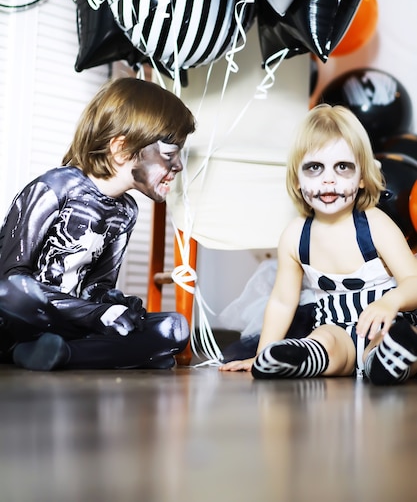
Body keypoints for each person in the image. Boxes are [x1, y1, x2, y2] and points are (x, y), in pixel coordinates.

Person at [0, 77, 196, 371]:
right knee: (18, 296)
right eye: (169, 154)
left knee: (175, 328)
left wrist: (115, 304)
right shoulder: (53, 189)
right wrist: (96, 314)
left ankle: (60, 354)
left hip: (74, 322)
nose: (178, 165)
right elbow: (9, 280)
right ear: (122, 149)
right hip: (25, 317)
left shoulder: (126, 211)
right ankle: (39, 349)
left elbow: (97, 286)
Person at [220, 104, 417, 384]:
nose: (328, 179)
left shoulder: (374, 224)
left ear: (361, 178)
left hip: (385, 325)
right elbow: (282, 301)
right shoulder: (295, 236)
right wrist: (261, 352)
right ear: (297, 179)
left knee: (398, 338)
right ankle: (299, 357)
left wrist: (391, 302)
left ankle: (389, 358)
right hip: (337, 332)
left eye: (342, 167)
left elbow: (413, 280)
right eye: (314, 167)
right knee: (324, 339)